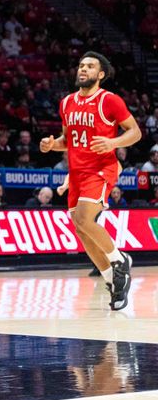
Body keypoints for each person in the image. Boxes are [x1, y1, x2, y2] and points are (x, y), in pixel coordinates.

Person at [40, 52, 141, 310]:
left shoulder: (109, 100)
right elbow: (68, 141)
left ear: (101, 74)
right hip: (76, 171)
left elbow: (135, 132)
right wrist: (52, 145)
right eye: (81, 65)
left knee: (85, 218)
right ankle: (112, 279)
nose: (83, 69)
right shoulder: (66, 103)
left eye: (90, 66)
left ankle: (120, 261)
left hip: (101, 168)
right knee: (80, 227)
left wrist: (113, 142)